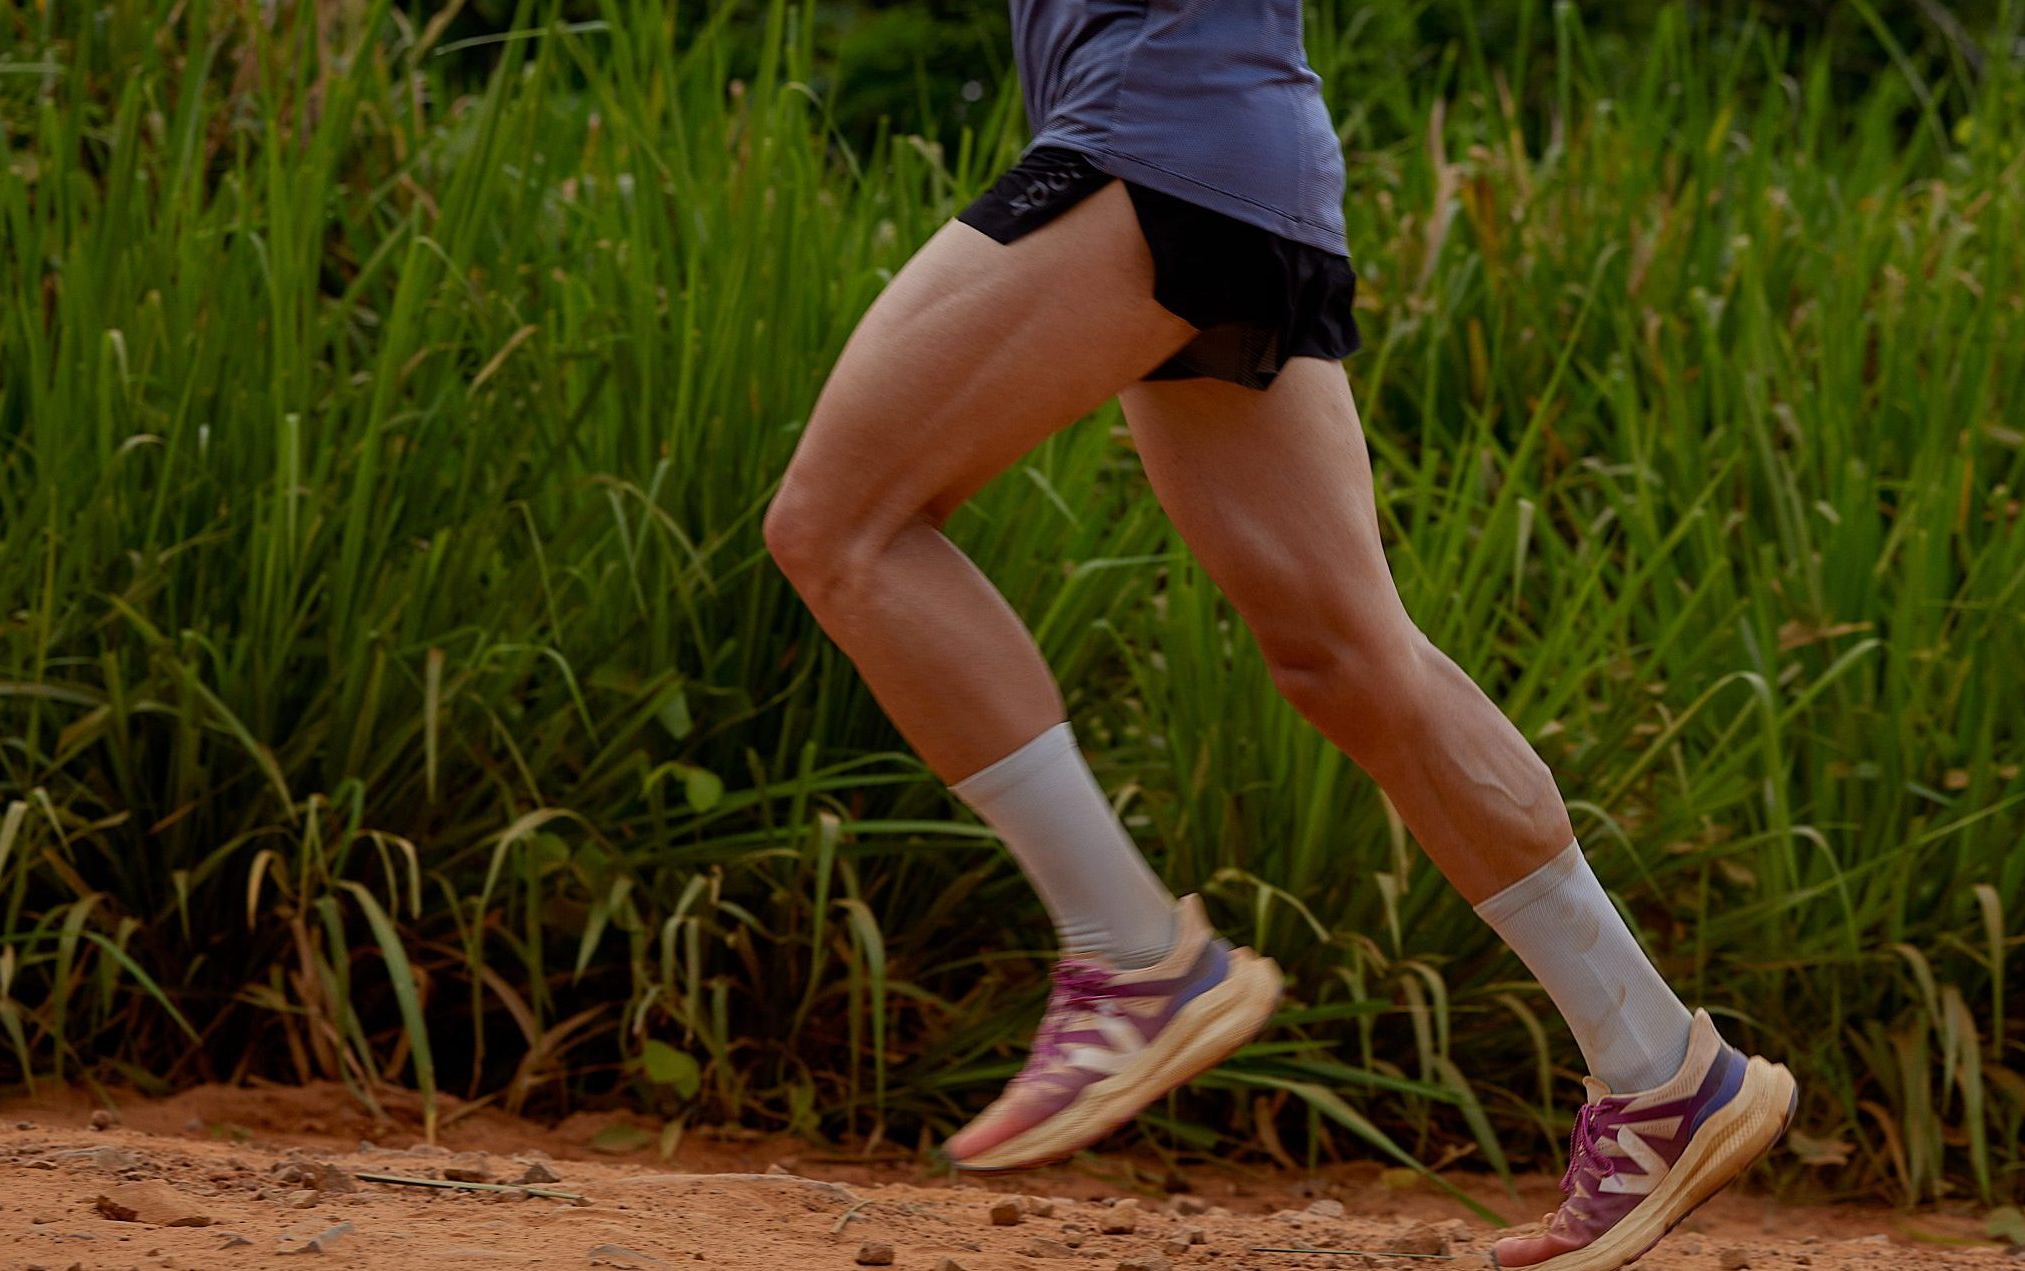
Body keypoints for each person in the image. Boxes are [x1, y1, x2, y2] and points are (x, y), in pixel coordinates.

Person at [760, 1, 1798, 1266]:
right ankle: (1657, 1064)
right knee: (1346, 658)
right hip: (1239, 159)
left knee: (842, 527)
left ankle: (1129, 952)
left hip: (1151, 146)